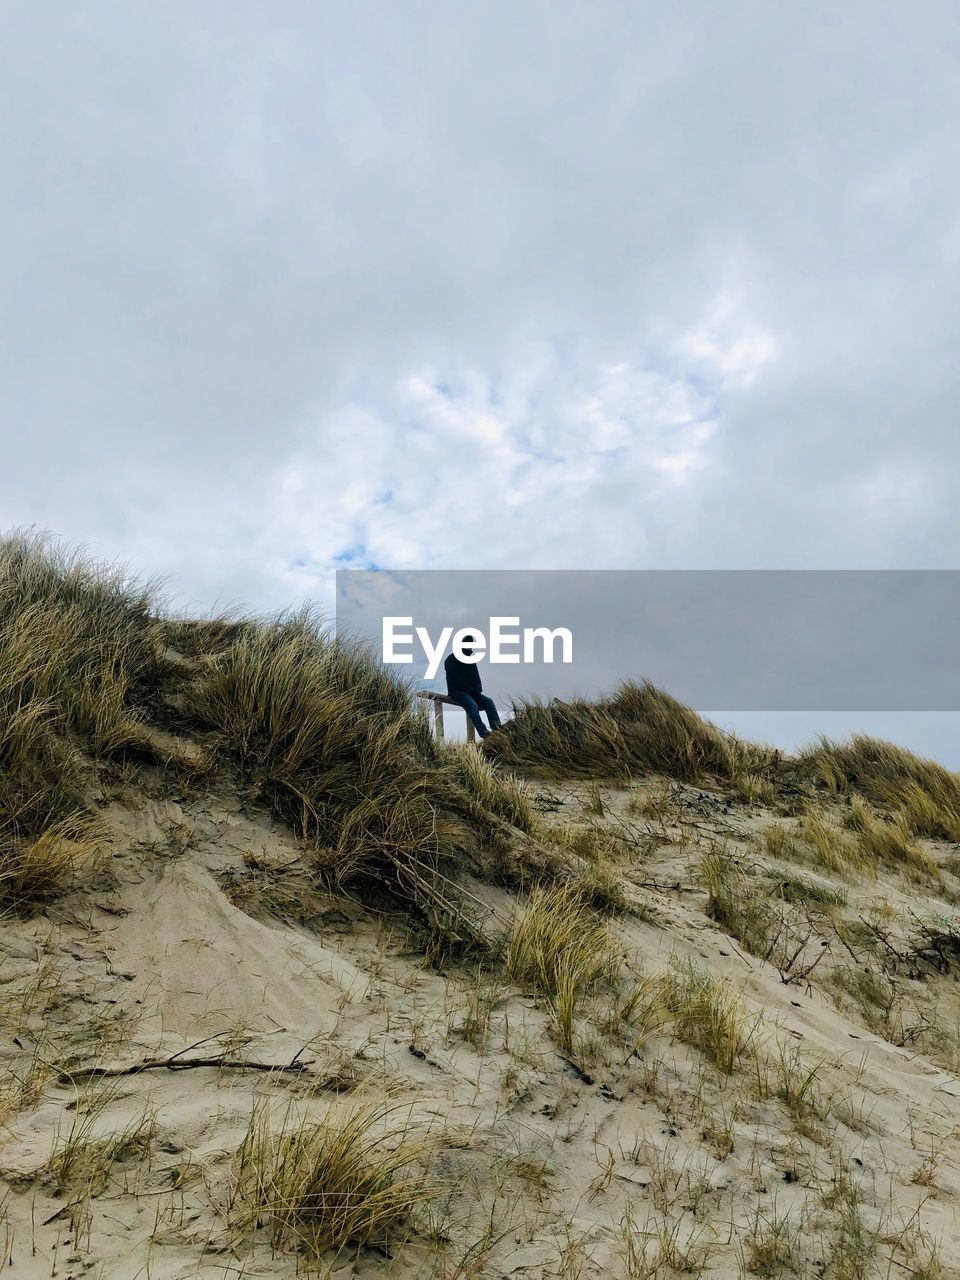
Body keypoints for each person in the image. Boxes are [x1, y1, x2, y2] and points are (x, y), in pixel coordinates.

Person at [444, 635, 502, 739]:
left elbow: (476, 676)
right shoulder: (451, 659)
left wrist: (477, 689)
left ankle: (497, 729)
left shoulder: (471, 660)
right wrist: (465, 688)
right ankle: (483, 732)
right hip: (458, 691)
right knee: (473, 706)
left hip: (472, 692)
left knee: (489, 702)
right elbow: (452, 678)